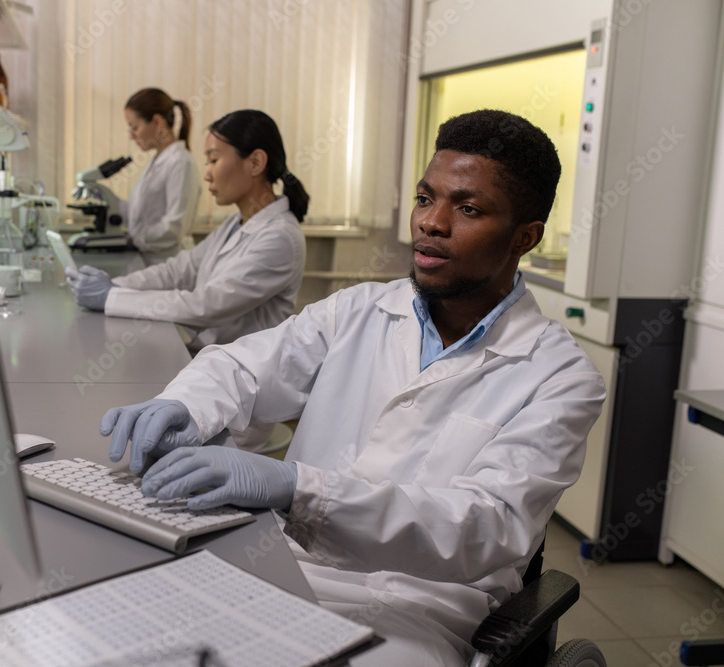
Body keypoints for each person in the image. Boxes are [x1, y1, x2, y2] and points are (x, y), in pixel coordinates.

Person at [96, 110, 607, 665]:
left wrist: (297, 488)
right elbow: (245, 366)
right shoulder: (359, 309)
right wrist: (184, 404)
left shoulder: (560, 377)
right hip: (282, 565)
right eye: (423, 198)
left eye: (467, 208)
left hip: (415, 612)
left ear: (525, 237)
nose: (430, 223)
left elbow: (485, 527)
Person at [68, 108, 309, 451]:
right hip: (210, 374)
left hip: (238, 402)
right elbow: (178, 270)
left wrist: (109, 299)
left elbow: (205, 306)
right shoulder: (236, 224)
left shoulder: (280, 238)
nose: (207, 174)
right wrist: (117, 284)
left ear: (255, 162)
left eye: (213, 160)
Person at [119, 88, 202, 257]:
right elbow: (140, 216)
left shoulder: (180, 162)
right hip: (151, 262)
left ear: (157, 121)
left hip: (169, 263)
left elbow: (174, 228)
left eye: (135, 127)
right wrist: (109, 201)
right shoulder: (157, 161)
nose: (132, 136)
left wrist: (136, 240)